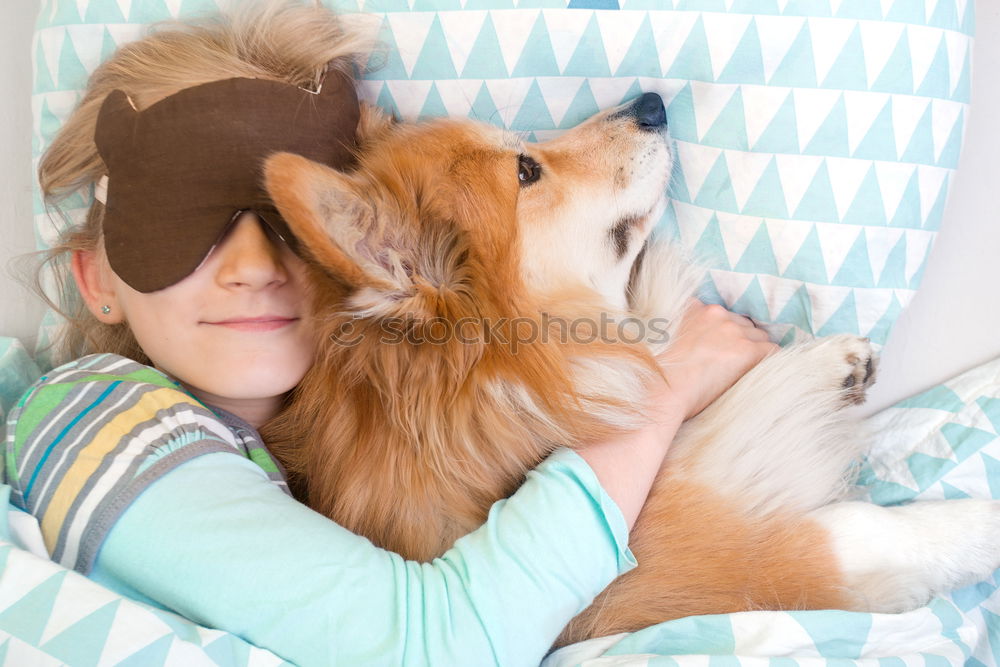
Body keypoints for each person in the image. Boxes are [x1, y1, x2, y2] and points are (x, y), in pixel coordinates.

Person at [2, 1, 778, 665]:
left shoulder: (334, 456)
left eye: (292, 227)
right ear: (96, 278)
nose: (250, 265)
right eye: (189, 222)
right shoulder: (85, 420)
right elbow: (436, 645)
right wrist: (662, 394)